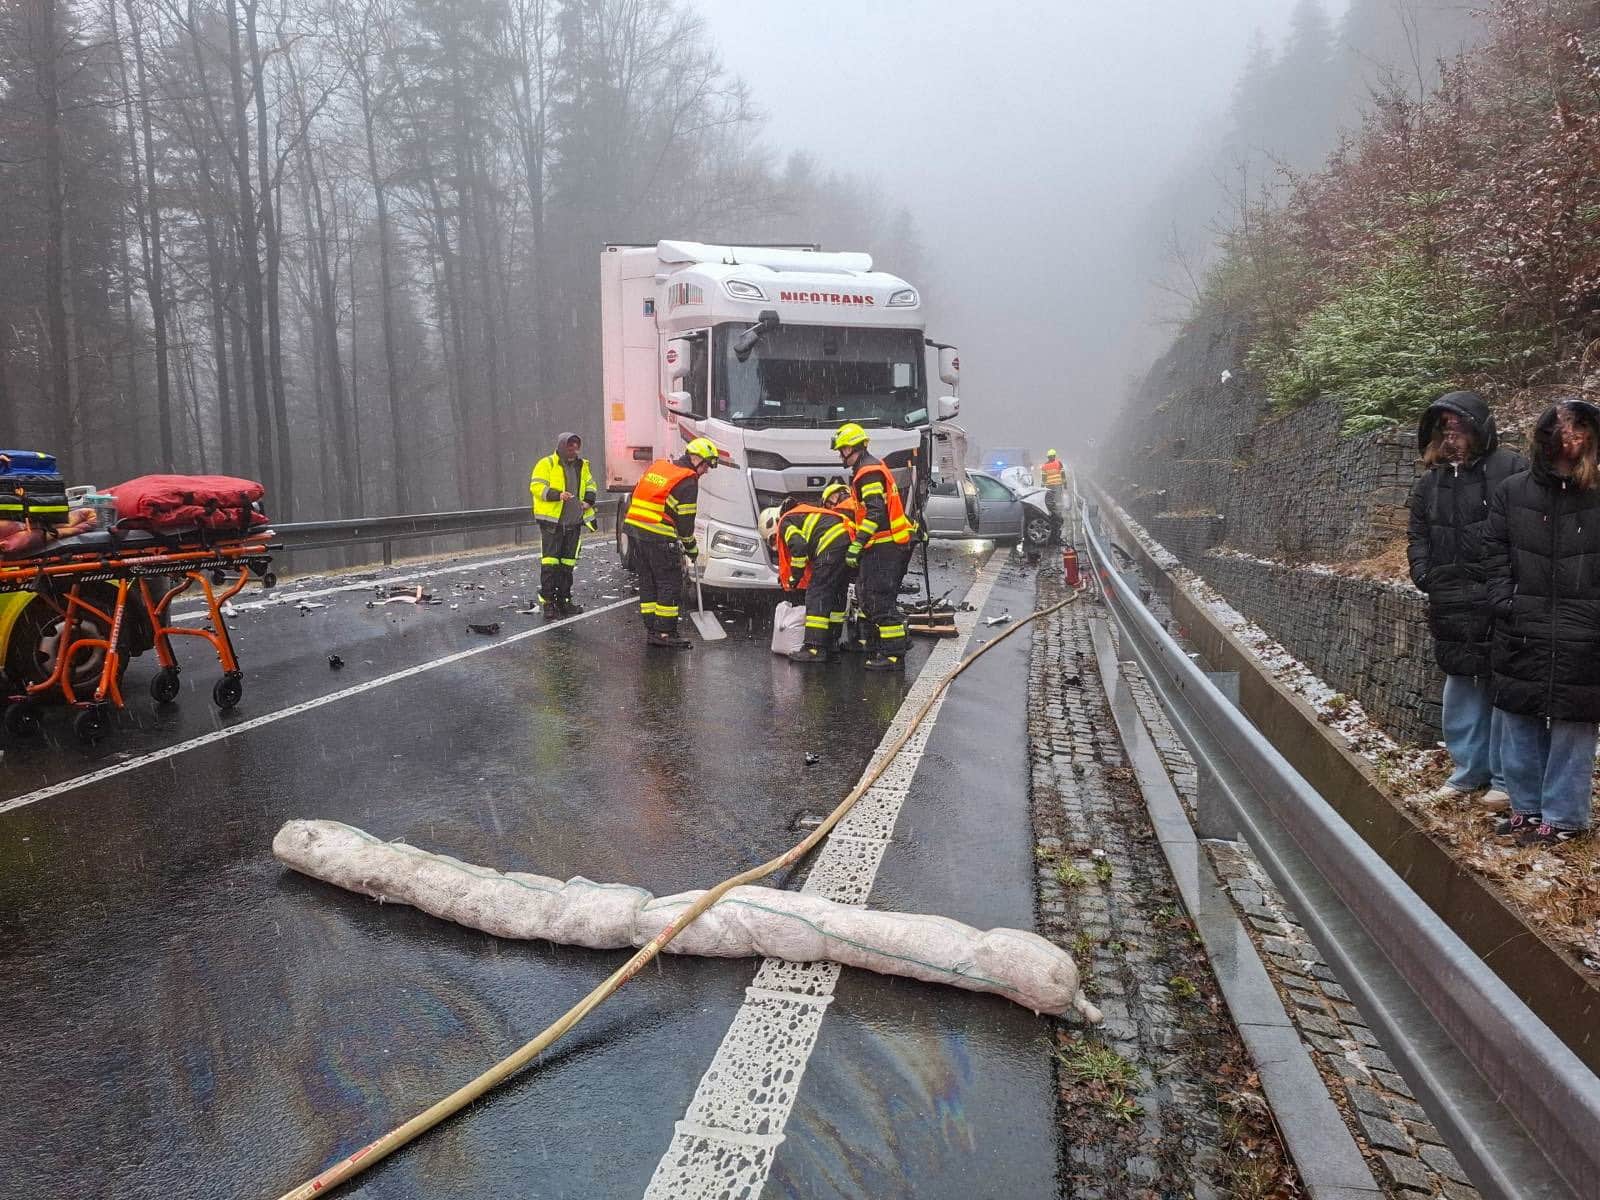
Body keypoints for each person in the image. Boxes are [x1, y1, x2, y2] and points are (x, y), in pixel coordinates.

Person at [1483, 398, 1600, 844]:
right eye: (1564, 429)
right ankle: (1527, 811)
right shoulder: (1513, 491)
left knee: (1574, 726)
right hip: (1522, 625)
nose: (1572, 438)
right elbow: (1492, 552)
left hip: (1585, 630)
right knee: (1519, 721)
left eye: (1581, 429)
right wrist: (1505, 601)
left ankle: (1565, 818)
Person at [1405, 392, 1525, 809]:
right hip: (1451, 602)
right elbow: (1417, 535)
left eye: (1459, 426)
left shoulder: (1511, 469)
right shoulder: (1429, 484)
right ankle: (1466, 773)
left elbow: (1531, 525)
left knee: (1503, 691)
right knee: (1461, 692)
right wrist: (1424, 574)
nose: (1451, 436)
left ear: (1478, 428)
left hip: (1500, 600)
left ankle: (1504, 780)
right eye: (1445, 428)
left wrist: (1511, 584)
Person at [624, 437, 721, 649]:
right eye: (705, 464)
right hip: (658, 535)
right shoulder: (687, 481)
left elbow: (635, 495)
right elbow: (685, 525)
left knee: (648, 579)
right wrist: (692, 549)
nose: (705, 470)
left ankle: (652, 628)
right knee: (669, 582)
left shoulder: (660, 467)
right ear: (695, 459)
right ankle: (665, 632)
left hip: (634, 530)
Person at [833, 422, 913, 671]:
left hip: (884, 546)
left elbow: (875, 513)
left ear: (852, 448)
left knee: (878, 599)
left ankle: (892, 655)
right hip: (883, 545)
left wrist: (857, 544)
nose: (840, 454)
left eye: (842, 449)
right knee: (871, 597)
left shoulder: (867, 472)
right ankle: (894, 644)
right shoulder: (867, 468)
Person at [762, 496, 855, 664]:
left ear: (773, 523)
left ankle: (814, 648)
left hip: (831, 545)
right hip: (847, 542)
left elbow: (799, 547)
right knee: (836, 594)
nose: (776, 542)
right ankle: (831, 643)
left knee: (817, 594)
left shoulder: (785, 522)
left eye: (772, 538)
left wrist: (794, 577)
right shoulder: (799, 514)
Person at [529, 432, 598, 619]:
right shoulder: (547, 464)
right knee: (550, 565)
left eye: (576, 447)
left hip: (573, 523)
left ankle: (564, 601)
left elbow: (591, 484)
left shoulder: (582, 466)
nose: (573, 450)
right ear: (561, 446)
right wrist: (557, 494)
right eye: (570, 446)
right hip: (553, 523)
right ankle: (549, 603)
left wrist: (589, 501)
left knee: (567, 565)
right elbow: (536, 487)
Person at [1039, 449, 1066, 542]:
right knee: (1058, 501)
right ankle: (1058, 515)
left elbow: (1043, 478)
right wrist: (1065, 483)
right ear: (1054, 456)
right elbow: (1062, 474)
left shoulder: (1044, 466)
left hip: (1049, 487)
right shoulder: (1059, 463)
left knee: (1050, 502)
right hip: (1058, 486)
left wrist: (1042, 487)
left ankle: (1052, 513)